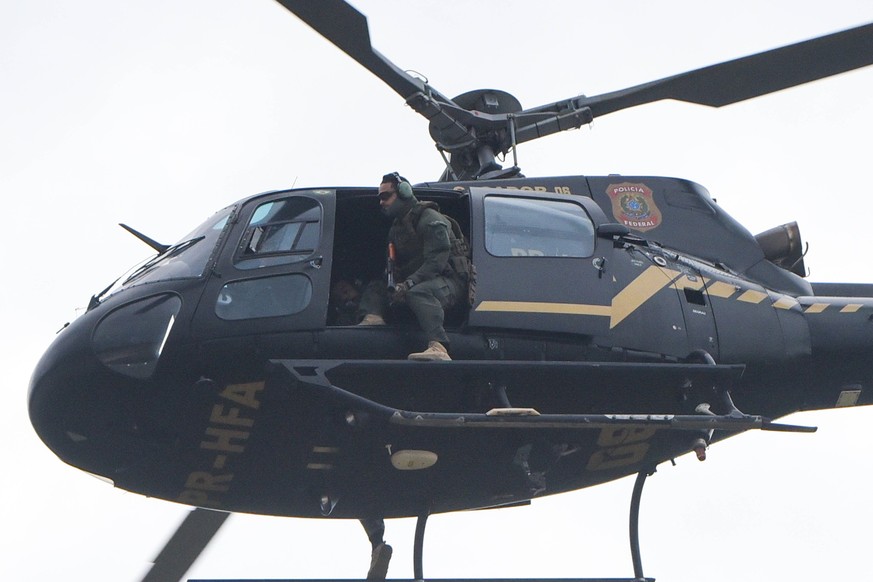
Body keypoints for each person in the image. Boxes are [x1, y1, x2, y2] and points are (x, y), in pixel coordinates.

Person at [357, 172, 469, 361]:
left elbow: (436, 261)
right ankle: (373, 320)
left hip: (450, 281)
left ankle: (439, 345)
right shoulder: (397, 228)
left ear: (404, 193)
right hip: (422, 279)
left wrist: (408, 284)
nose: (381, 202)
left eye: (386, 196)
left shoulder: (430, 220)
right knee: (378, 286)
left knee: (418, 293)